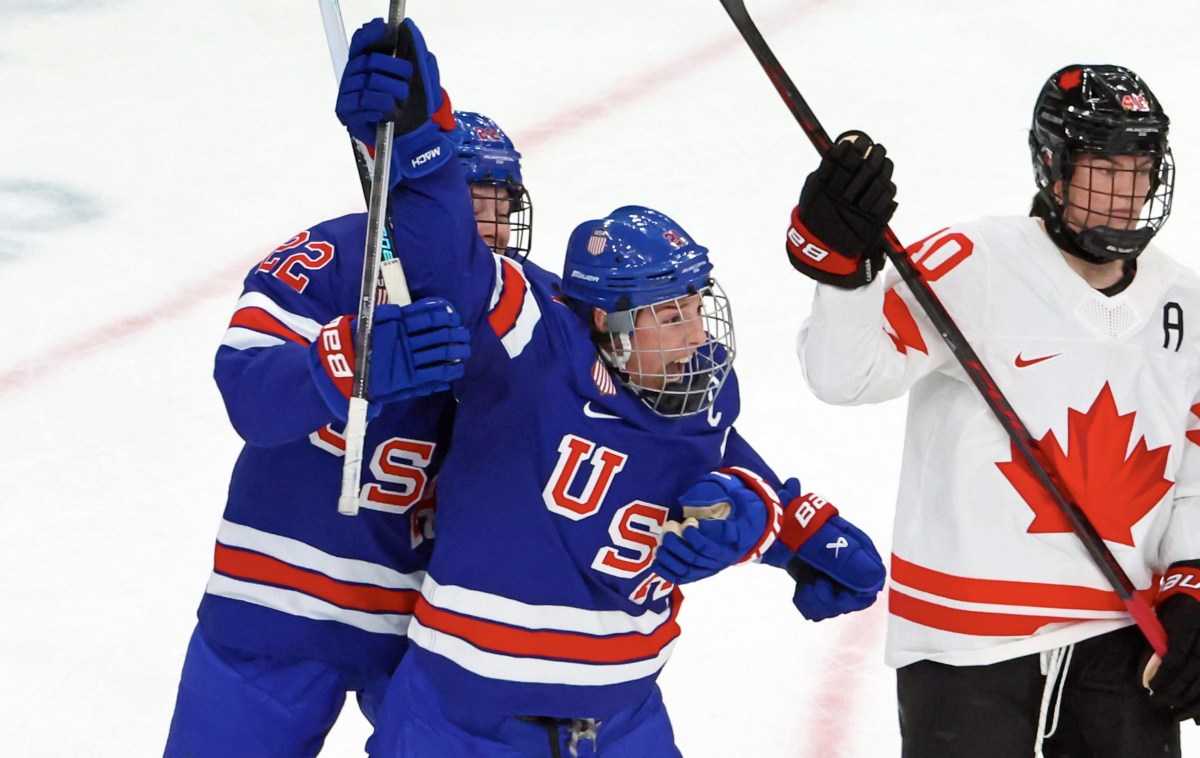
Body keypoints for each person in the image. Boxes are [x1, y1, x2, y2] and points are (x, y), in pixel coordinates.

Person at [333, 17, 887, 757]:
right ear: (609, 323)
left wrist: (787, 529)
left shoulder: (701, 391)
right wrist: (421, 146)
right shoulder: (530, 350)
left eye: (694, 305)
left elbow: (723, 465)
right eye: (670, 313)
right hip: (461, 730)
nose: (696, 333)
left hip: (624, 728)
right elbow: (449, 266)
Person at [789, 64, 1200, 756]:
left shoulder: (1185, 304)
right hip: (964, 643)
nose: (1123, 195)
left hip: (1123, 642)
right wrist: (843, 276)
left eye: (1139, 170)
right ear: (1053, 166)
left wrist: (1192, 581)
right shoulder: (971, 263)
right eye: (1102, 168)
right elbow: (844, 375)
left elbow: (1192, 470)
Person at [163, 109, 532, 756]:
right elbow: (248, 394)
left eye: (501, 204)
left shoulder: (514, 304)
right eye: (470, 201)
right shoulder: (331, 259)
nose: (489, 226)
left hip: (427, 634)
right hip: (277, 607)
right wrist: (349, 359)